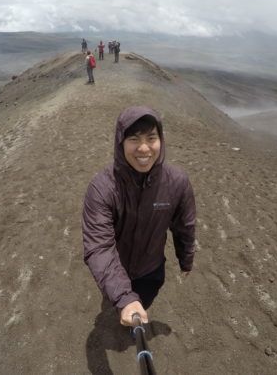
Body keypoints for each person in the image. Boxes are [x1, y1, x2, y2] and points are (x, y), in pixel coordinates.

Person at [82, 106, 196, 327]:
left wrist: (186, 260)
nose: (144, 148)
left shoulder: (177, 182)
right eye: (134, 139)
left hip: (151, 269)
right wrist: (124, 297)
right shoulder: (102, 188)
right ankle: (122, 302)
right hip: (116, 265)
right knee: (119, 301)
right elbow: (99, 247)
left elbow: (185, 226)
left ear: (160, 140)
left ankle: (132, 306)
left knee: (144, 301)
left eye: (151, 138)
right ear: (120, 143)